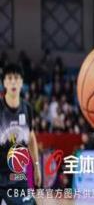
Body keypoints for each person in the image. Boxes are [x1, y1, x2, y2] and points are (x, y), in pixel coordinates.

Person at [0, 63, 40, 205]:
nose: (13, 82)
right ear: (4, 82)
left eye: (16, 78)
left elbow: (31, 138)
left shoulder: (27, 108)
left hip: (18, 177)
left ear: (22, 82)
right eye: (9, 78)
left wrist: (36, 166)